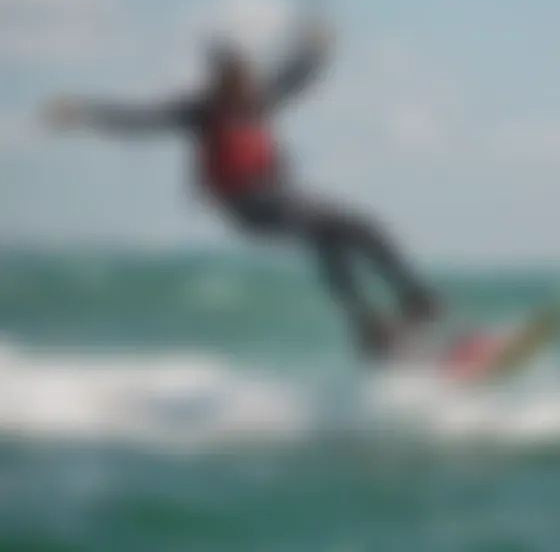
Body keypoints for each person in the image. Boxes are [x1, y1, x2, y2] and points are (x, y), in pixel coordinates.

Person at [45, 24, 440, 359]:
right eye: (227, 75)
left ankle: (381, 322)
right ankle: (404, 308)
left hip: (280, 199)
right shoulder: (201, 111)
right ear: (217, 79)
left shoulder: (260, 100)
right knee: (340, 228)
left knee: (345, 234)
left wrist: (316, 49)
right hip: (248, 208)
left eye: (240, 72)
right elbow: (140, 121)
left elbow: (295, 77)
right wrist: (85, 113)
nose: (237, 80)